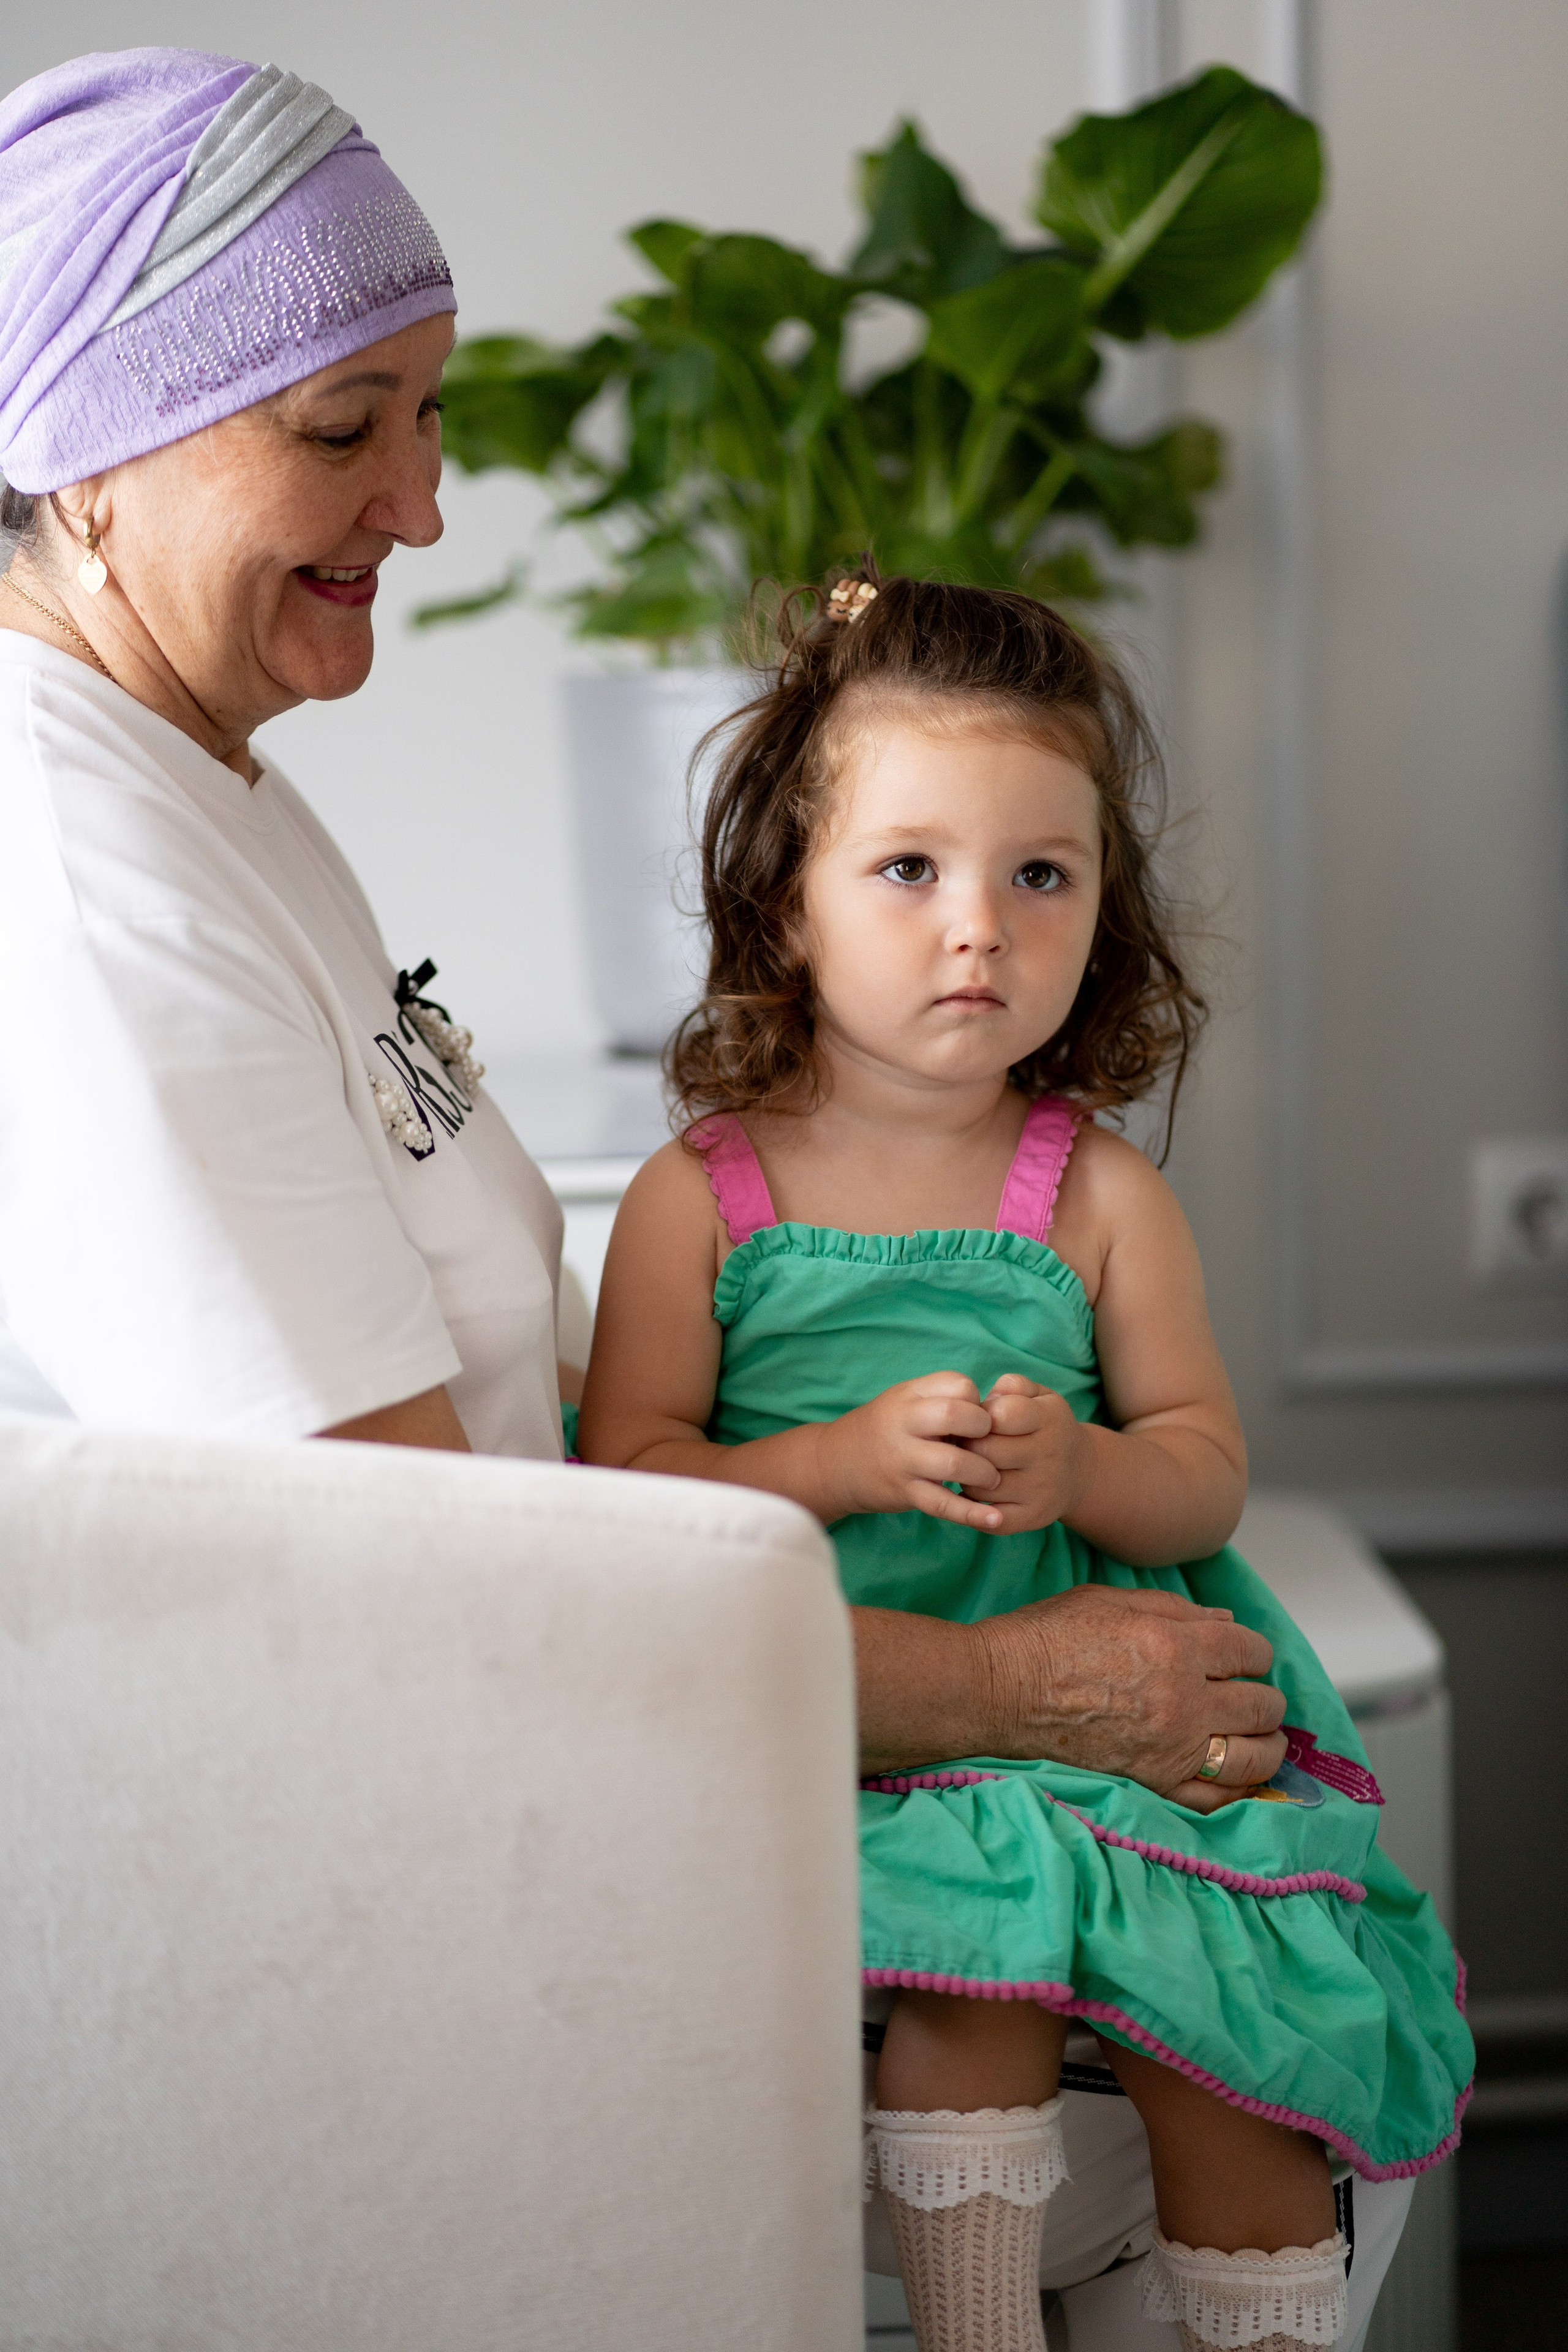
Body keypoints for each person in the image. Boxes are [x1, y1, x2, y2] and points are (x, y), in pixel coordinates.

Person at [578, 571, 1473, 2352]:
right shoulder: (700, 1197)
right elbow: (632, 1493)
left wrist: (1084, 1474)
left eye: (1041, 876)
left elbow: (1203, 1472)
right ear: (789, 903)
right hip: (868, 1732)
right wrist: (839, 1457)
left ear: (1102, 910)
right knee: (972, 1997)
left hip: (1100, 1730)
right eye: (910, 869)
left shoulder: (1100, 1194)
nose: (978, 928)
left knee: (1231, 2046)